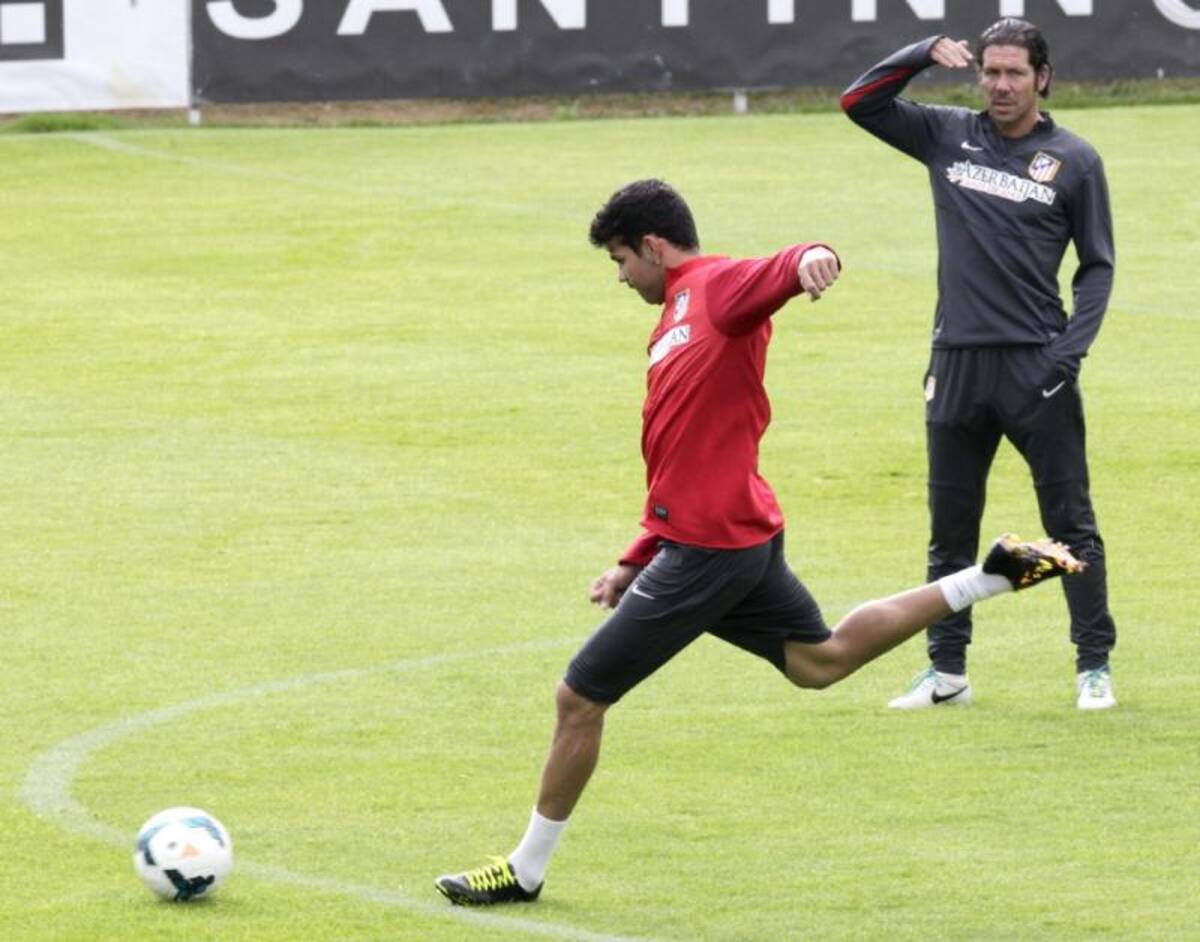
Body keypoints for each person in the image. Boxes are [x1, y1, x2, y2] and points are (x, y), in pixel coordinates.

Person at [434, 179, 1084, 906]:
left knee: (578, 699)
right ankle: (987, 578)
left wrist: (816, 257)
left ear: (653, 246)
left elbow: (789, 262)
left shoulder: (715, 288)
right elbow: (685, 450)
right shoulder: (676, 312)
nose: (619, 277)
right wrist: (635, 555)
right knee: (820, 661)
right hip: (725, 535)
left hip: (709, 552)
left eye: (620, 260)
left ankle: (525, 870)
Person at [840, 19, 1118, 711]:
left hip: (1037, 369)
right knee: (949, 534)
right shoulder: (946, 135)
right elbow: (859, 102)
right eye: (989, 72)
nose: (999, 85)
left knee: (1070, 527)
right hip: (956, 364)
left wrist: (1068, 355)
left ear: (1043, 78)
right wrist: (918, 54)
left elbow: (1098, 268)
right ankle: (948, 674)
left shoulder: (1075, 160)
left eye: (1014, 73)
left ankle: (1093, 667)